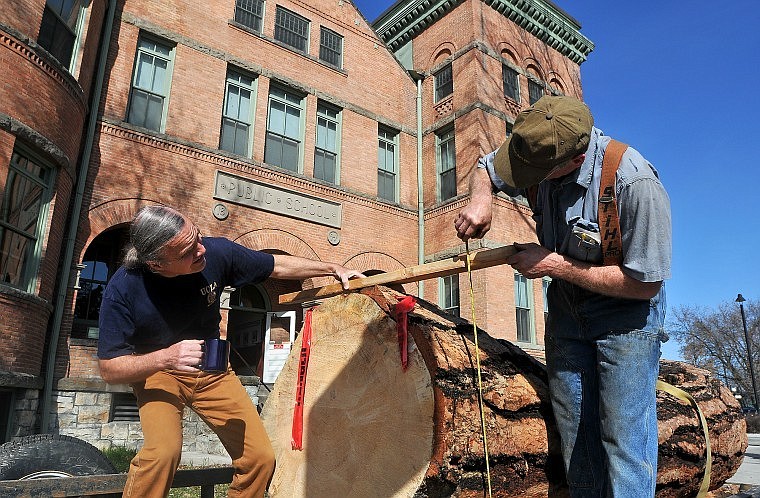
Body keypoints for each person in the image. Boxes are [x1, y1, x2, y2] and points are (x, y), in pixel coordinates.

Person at [454, 95, 671, 497]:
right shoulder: (535, 148)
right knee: (575, 430)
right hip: (568, 309)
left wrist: (552, 265)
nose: (522, 179)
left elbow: (644, 284)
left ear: (572, 160)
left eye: (535, 173)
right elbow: (486, 167)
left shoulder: (633, 182)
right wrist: (480, 200)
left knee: (623, 436)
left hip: (626, 313)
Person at [97, 205, 365, 498]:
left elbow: (275, 265)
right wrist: (167, 356)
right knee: (162, 454)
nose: (200, 250)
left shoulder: (216, 253)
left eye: (197, 237)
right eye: (187, 251)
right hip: (157, 374)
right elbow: (110, 368)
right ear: (157, 264)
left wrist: (331, 268)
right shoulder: (122, 290)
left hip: (212, 370)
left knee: (259, 459)